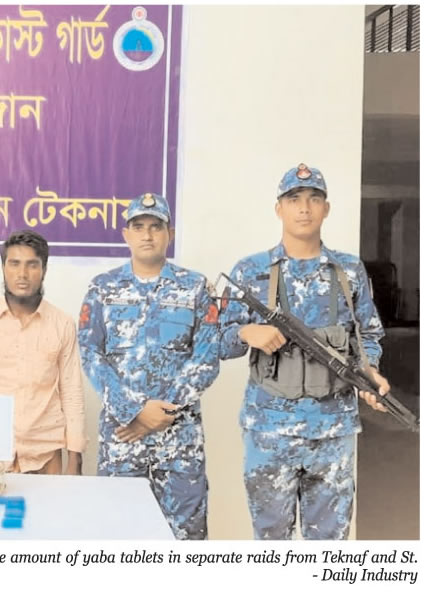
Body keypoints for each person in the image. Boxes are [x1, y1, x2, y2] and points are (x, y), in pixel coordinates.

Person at [219, 163, 390, 540]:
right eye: (294, 198)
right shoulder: (250, 271)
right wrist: (247, 332)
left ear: (326, 209)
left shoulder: (348, 270)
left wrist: (370, 372)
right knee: (271, 543)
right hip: (269, 431)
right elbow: (218, 341)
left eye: (314, 199)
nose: (304, 207)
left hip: (333, 431)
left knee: (329, 546)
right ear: (278, 208)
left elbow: (368, 334)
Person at [77, 193, 219, 539]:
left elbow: (207, 356)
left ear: (170, 233)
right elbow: (90, 352)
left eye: (156, 227)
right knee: (119, 538)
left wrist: (164, 411)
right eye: (138, 227)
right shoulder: (103, 289)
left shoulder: (195, 288)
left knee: (184, 539)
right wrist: (134, 411)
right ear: (126, 234)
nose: (147, 234)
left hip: (179, 442)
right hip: (123, 439)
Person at [0, 230, 86, 474]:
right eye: (14, 264)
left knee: (53, 503)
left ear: (44, 270)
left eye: (32, 265)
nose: (22, 274)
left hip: (46, 451)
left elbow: (72, 392)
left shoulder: (62, 323)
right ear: (3, 268)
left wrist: (75, 458)